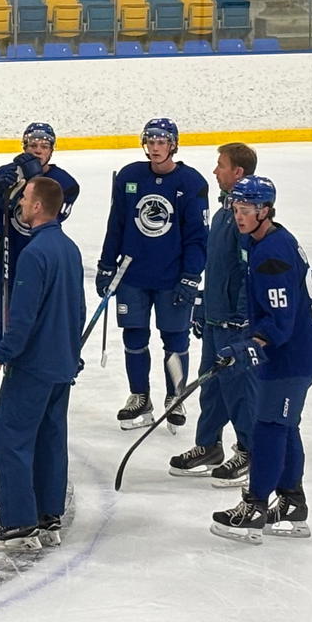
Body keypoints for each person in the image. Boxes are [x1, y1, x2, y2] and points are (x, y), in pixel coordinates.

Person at [209, 175, 312, 544]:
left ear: (265, 211)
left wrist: (251, 345)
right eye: (235, 208)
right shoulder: (269, 240)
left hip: (291, 356)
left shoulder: (271, 253)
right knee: (284, 426)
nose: (238, 216)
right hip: (294, 353)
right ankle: (292, 503)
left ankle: (255, 506)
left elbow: (281, 320)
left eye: (245, 210)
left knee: (269, 427)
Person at [0, 176, 86, 550]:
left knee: (12, 438)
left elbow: (22, 319)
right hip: (62, 364)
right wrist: (73, 353)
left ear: (38, 206)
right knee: (50, 440)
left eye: (25, 198)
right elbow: (78, 309)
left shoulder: (35, 254)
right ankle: (48, 515)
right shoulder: (69, 249)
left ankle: (19, 523)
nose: (21, 204)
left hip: (33, 365)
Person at [95, 117, 208, 429]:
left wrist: (191, 276)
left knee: (175, 339)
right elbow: (116, 223)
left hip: (172, 277)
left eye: (162, 142)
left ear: (173, 145)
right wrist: (106, 264)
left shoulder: (192, 182)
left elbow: (198, 236)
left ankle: (176, 397)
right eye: (151, 141)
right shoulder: (130, 176)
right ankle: (140, 396)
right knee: (134, 335)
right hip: (133, 274)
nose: (155, 148)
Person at [0, 122, 80, 419]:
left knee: (30, 330)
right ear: (24, 147)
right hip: (5, 266)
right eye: (33, 146)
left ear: (52, 150)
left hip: (38, 272)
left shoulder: (63, 183)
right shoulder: (6, 175)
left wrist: (33, 177)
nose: (38, 150)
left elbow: (52, 220)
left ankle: (24, 386)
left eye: (44, 146)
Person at [170, 143, 259, 486]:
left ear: (238, 172)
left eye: (220, 165)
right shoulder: (224, 214)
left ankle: (250, 450)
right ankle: (208, 446)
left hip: (234, 324)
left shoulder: (245, 219)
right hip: (214, 320)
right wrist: (203, 305)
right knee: (211, 388)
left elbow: (247, 274)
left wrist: (241, 318)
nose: (214, 171)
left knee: (238, 390)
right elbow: (218, 268)